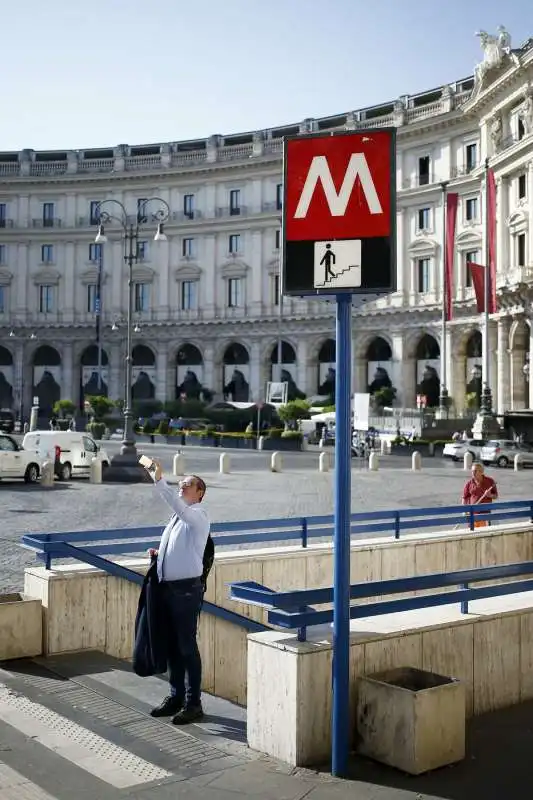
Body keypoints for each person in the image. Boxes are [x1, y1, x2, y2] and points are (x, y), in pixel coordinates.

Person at [147, 461, 210, 724]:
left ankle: (194, 702)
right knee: (173, 646)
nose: (182, 487)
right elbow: (182, 551)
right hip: (169, 589)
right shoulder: (178, 518)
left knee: (186, 646)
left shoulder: (197, 515)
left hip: (186, 592)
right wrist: (160, 557)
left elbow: (177, 506)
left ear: (199, 493)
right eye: (180, 484)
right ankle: (176, 697)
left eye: (188, 485)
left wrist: (159, 481)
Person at [462, 462, 498, 528]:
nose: (473, 473)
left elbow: (496, 496)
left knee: (484, 533)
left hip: (485, 514)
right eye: (472, 471)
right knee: (472, 533)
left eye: (475, 471)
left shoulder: (490, 481)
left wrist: (489, 495)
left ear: (481, 472)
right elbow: (464, 498)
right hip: (472, 514)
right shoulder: (469, 483)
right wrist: (465, 511)